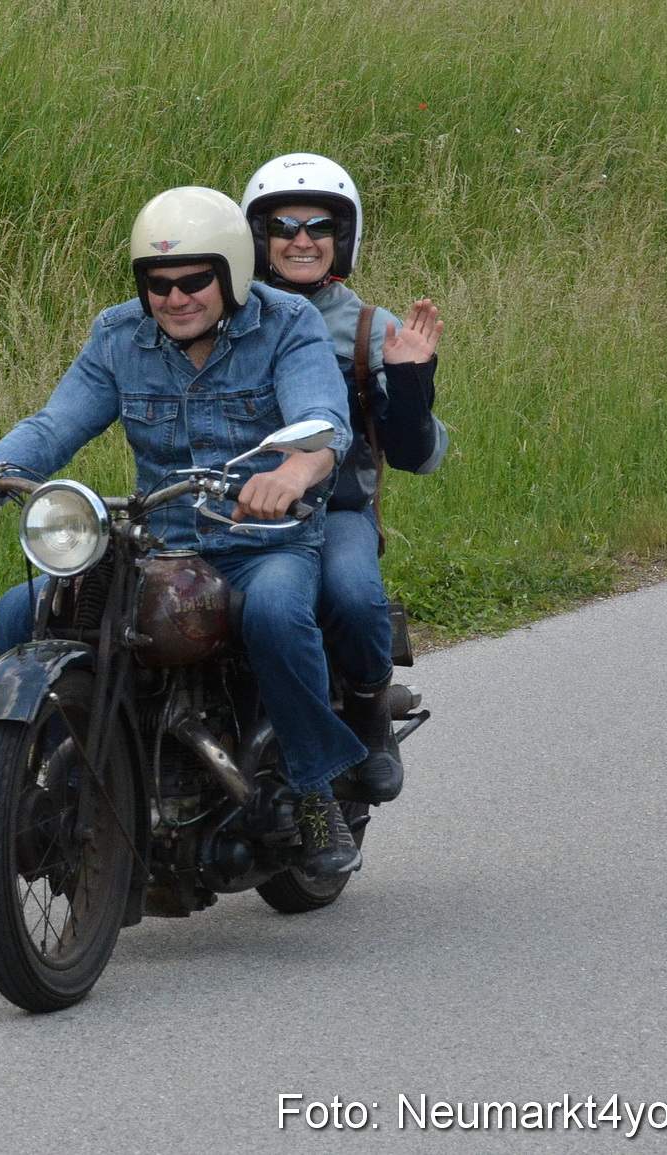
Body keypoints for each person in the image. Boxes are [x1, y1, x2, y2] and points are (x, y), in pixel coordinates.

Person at [0, 186, 367, 878]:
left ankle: (314, 790)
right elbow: (56, 424)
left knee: (280, 613)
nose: (175, 297)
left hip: (262, 542)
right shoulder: (117, 335)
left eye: (195, 281)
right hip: (154, 542)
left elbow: (321, 418)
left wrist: (295, 469)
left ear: (231, 274)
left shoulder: (288, 325)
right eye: (158, 284)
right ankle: (51, 778)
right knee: (20, 610)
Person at [240, 153, 448, 805]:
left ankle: (366, 717)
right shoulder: (224, 320)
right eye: (284, 225)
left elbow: (418, 454)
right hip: (232, 510)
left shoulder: (370, 328)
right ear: (257, 239)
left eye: (320, 224)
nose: (302, 238)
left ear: (343, 237)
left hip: (337, 511)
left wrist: (412, 381)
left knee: (354, 596)